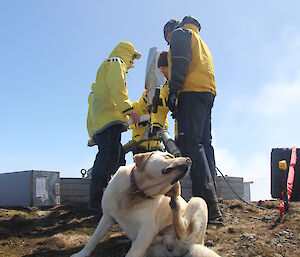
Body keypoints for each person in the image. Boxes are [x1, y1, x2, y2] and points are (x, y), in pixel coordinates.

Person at [163, 16, 223, 223]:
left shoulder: (181, 35)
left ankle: (210, 207)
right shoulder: (200, 40)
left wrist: (174, 92)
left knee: (191, 144)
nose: (168, 43)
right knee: (205, 144)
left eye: (166, 37)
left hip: (190, 92)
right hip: (207, 93)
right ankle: (210, 201)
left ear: (171, 31)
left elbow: (180, 63)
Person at [87, 41, 141, 215]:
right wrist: (130, 111)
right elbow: (117, 90)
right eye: (133, 59)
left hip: (104, 123)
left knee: (116, 158)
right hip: (109, 122)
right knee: (108, 159)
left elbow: (93, 108)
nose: (132, 65)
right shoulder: (116, 63)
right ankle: (99, 202)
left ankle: (108, 199)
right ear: (128, 54)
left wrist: (92, 134)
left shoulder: (105, 68)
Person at [130, 51, 170, 155]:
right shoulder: (135, 107)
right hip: (140, 147)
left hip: (157, 148)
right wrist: (141, 122)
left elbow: (164, 124)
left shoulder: (159, 110)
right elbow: (130, 123)